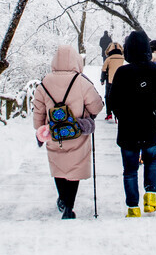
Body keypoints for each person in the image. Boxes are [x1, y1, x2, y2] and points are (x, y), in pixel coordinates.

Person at [32, 45, 104, 219]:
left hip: (54, 133)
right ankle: (69, 207)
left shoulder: (45, 82)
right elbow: (96, 106)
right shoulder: (81, 81)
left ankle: (63, 199)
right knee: (74, 168)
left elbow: (38, 110)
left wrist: (39, 128)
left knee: (58, 166)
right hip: (76, 132)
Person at [110, 30, 156, 217]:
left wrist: (121, 115)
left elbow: (112, 101)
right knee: (150, 161)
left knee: (130, 169)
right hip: (150, 125)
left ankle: (133, 208)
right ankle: (150, 198)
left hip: (128, 129)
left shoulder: (122, 72)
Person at [100, 41, 125, 122]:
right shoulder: (123, 59)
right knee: (120, 97)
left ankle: (109, 113)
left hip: (110, 80)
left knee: (108, 96)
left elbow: (104, 70)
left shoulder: (109, 59)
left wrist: (102, 80)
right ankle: (119, 113)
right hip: (121, 81)